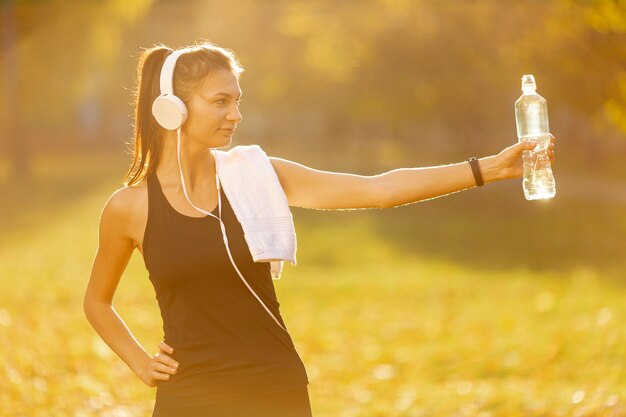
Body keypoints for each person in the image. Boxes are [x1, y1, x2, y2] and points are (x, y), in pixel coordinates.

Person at [83, 41, 556, 417]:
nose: (236, 115)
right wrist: (142, 364)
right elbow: (97, 301)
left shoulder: (259, 175)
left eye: (237, 101)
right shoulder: (130, 208)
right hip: (189, 400)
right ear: (174, 109)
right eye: (220, 101)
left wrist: (487, 169)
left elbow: (378, 189)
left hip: (274, 388)